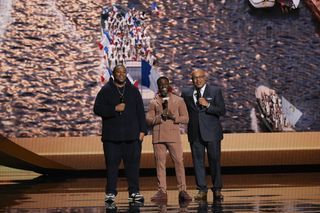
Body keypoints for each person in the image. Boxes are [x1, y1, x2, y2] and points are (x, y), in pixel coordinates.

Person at [93, 64, 147, 203]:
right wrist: (114, 108)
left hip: (132, 137)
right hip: (112, 138)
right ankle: (110, 192)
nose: (121, 74)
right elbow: (97, 109)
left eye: (123, 72)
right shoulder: (106, 90)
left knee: (133, 166)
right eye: (118, 72)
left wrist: (142, 131)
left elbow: (141, 112)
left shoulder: (134, 91)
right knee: (111, 167)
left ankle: (134, 192)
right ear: (114, 74)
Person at [181, 69, 226, 202]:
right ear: (192, 79)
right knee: (198, 162)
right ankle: (201, 189)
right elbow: (182, 110)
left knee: (215, 161)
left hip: (212, 133)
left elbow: (222, 110)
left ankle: (217, 189)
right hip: (195, 133)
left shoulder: (215, 91)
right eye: (195, 78)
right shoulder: (186, 93)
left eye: (200, 77)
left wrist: (208, 105)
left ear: (205, 78)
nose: (198, 80)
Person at [146, 76, 192, 203]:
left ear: (169, 85)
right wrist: (159, 118)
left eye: (165, 85)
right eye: (161, 85)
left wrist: (173, 117)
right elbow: (148, 120)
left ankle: (182, 190)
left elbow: (186, 118)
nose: (163, 87)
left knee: (179, 162)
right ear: (158, 87)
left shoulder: (178, 100)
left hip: (173, 136)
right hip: (158, 136)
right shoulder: (153, 102)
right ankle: (162, 191)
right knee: (160, 164)